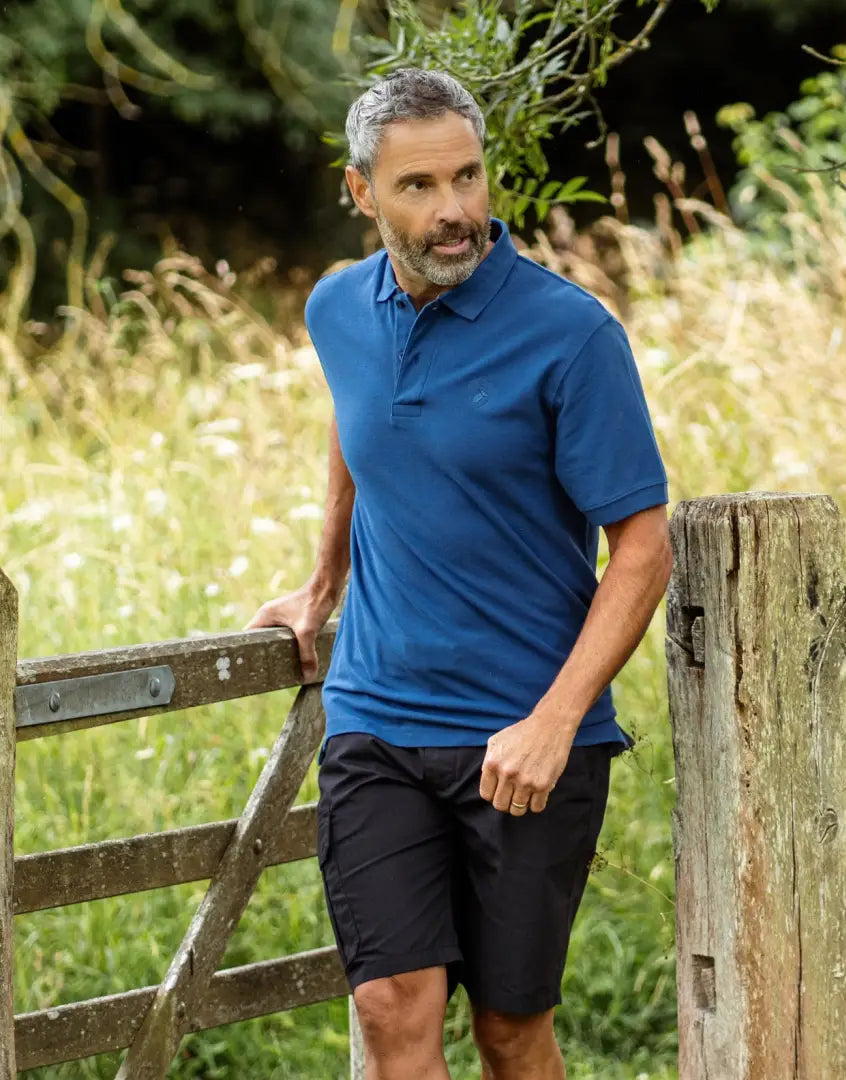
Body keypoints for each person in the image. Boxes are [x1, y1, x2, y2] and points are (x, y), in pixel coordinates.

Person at [246, 67, 672, 1080]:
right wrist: (323, 581)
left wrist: (555, 721)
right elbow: (360, 426)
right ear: (362, 193)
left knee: (509, 1030)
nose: (454, 212)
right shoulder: (336, 309)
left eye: (468, 178)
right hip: (376, 723)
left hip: (523, 743)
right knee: (393, 1008)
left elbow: (645, 549)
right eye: (420, 188)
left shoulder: (571, 335)